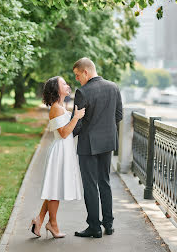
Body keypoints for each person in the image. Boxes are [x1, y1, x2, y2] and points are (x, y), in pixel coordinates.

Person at [72, 57, 123, 238]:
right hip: (108, 143)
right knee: (105, 182)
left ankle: (94, 227)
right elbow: (119, 115)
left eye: (78, 75)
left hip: (88, 145)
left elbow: (76, 124)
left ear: (86, 72)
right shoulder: (114, 87)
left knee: (90, 185)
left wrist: (64, 135)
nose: (77, 79)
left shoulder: (82, 92)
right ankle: (108, 225)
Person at [29, 76, 85, 239]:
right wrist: (76, 116)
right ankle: (52, 224)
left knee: (55, 189)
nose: (68, 85)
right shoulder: (56, 108)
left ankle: (39, 220)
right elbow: (64, 133)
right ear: (56, 89)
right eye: (63, 84)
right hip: (60, 151)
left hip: (64, 150)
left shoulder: (60, 106)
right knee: (55, 191)